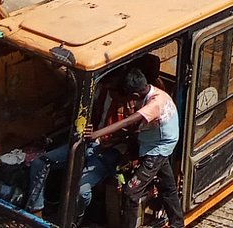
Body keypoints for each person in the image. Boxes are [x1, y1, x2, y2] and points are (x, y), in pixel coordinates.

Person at [88, 68, 184, 228]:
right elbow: (135, 128)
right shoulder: (154, 92)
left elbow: (128, 121)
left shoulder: (155, 103)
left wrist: (95, 134)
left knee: (131, 192)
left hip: (157, 150)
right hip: (154, 143)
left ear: (134, 95)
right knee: (167, 186)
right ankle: (177, 223)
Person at [26, 75, 131, 222]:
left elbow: (130, 136)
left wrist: (108, 140)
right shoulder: (100, 93)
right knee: (40, 162)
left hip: (108, 152)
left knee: (81, 191)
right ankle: (36, 210)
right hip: (87, 143)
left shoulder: (133, 106)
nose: (110, 91)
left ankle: (74, 220)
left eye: (113, 89)